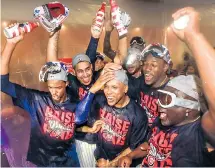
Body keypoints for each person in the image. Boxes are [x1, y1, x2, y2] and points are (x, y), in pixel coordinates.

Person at [0, 25, 82, 167]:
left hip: (69, 163)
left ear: (67, 83)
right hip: (42, 163)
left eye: (57, 87)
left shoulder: (76, 101)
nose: (53, 92)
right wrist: (10, 44)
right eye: (50, 87)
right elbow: (3, 83)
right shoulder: (37, 100)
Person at [119, 75, 210, 167]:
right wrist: (130, 156)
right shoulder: (163, 119)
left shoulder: (197, 137)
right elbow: (150, 144)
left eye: (168, 100)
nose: (159, 104)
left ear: (188, 107)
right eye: (161, 97)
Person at [75, 67, 149, 167]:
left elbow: (133, 147)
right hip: (100, 157)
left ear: (125, 88)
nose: (108, 92)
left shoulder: (138, 115)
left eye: (114, 87)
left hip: (122, 161)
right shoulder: (100, 100)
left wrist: (112, 164)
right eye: (106, 86)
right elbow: (77, 118)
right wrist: (92, 90)